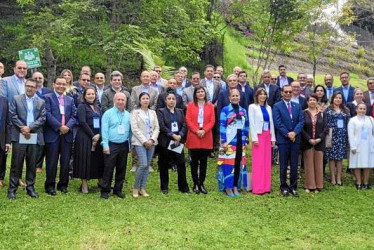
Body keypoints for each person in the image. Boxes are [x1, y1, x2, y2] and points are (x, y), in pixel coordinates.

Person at [8, 79, 46, 199]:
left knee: (32, 163)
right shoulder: (16, 99)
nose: (29, 88)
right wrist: (23, 128)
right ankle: (12, 189)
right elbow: (12, 115)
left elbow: (42, 118)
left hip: (33, 135)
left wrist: (30, 127)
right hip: (20, 134)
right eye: (27, 86)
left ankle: (30, 188)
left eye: (32, 87)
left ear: (36, 88)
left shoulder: (41, 102)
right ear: (25, 86)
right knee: (16, 163)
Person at [44, 77, 77, 195]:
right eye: (58, 84)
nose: (61, 86)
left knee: (65, 161)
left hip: (67, 134)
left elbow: (74, 115)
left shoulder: (70, 99)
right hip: (53, 134)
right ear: (54, 84)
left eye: (64, 84)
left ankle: (63, 184)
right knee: (52, 161)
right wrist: (59, 126)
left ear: (66, 85)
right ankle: (50, 185)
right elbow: (47, 114)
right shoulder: (47, 97)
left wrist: (67, 127)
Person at [273, 85, 304, 197]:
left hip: (295, 139)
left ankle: (293, 186)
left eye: (290, 92)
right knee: (283, 164)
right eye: (286, 92)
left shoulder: (297, 106)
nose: (288, 94)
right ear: (282, 93)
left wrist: (294, 133)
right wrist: (287, 134)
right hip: (283, 140)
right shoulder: (277, 106)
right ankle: (284, 186)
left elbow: (301, 121)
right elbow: (277, 122)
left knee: (295, 164)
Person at [217, 89, 249, 197]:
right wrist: (224, 141)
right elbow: (222, 126)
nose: (235, 97)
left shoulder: (243, 110)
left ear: (240, 97)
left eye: (237, 95)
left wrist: (246, 138)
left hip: (241, 142)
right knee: (228, 165)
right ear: (229, 97)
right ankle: (228, 187)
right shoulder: (225, 110)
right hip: (229, 142)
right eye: (233, 96)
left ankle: (236, 186)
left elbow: (246, 126)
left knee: (238, 164)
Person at [157, 92, 190, 194]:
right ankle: (164, 187)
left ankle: (183, 187)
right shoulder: (160, 111)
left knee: (181, 163)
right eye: (169, 98)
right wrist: (172, 135)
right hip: (166, 141)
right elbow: (162, 126)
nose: (171, 100)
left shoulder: (180, 111)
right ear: (165, 100)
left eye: (173, 99)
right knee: (164, 164)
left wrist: (180, 135)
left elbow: (184, 125)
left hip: (177, 142)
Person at [73, 87, 104, 193]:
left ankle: (100, 181)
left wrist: (99, 134)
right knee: (84, 161)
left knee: (96, 160)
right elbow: (82, 122)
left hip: (97, 137)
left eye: (93, 94)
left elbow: (101, 122)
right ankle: (84, 185)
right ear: (84, 96)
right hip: (85, 137)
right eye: (89, 94)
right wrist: (92, 136)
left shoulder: (97, 107)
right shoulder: (82, 106)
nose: (91, 96)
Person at [101, 92, 131, 199]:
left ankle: (118, 189)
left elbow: (130, 131)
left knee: (121, 168)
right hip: (111, 144)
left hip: (124, 144)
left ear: (125, 102)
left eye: (122, 100)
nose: (120, 102)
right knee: (108, 168)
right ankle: (105, 190)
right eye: (118, 99)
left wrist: (130, 144)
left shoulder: (128, 115)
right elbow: (104, 130)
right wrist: (105, 144)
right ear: (114, 101)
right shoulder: (108, 114)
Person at [185, 86, 215, 194]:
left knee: (204, 162)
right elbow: (188, 120)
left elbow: (212, 121)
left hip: (206, 136)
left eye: (202, 91)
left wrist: (204, 130)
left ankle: (201, 183)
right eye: (198, 92)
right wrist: (197, 130)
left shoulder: (210, 106)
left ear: (205, 93)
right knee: (194, 162)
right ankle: (195, 183)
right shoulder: (190, 105)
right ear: (195, 94)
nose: (201, 93)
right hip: (194, 135)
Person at [130, 93, 160, 197]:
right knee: (142, 164)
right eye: (143, 98)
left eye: (147, 98)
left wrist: (152, 139)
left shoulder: (153, 112)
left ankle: (142, 188)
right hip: (140, 142)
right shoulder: (135, 112)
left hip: (152, 142)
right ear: (140, 100)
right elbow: (134, 129)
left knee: (147, 165)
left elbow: (157, 127)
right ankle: (135, 188)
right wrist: (144, 141)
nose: (146, 100)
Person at [248, 88, 275, 194]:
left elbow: (271, 123)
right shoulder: (252, 107)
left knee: (266, 161)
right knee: (258, 162)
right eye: (260, 94)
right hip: (258, 136)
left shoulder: (269, 107)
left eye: (264, 94)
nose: (263, 96)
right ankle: (258, 187)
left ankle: (266, 187)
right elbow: (252, 123)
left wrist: (273, 138)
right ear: (257, 96)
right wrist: (254, 138)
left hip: (267, 134)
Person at [301, 94, 326, 193]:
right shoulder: (303, 113)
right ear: (307, 102)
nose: (312, 101)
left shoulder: (322, 113)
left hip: (319, 143)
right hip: (308, 142)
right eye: (310, 100)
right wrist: (309, 139)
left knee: (319, 164)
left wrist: (319, 139)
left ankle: (318, 185)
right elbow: (301, 128)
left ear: (317, 102)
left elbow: (326, 128)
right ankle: (309, 185)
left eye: (314, 100)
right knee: (308, 164)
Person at [325, 91, 350, 186]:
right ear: (333, 99)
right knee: (331, 158)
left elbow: (349, 123)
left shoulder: (346, 110)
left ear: (342, 99)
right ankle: (332, 178)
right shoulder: (328, 109)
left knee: (340, 158)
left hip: (342, 136)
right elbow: (325, 122)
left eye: (340, 98)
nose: (338, 99)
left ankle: (339, 177)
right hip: (332, 135)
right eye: (336, 98)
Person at [348, 103, 374, 189]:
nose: (362, 110)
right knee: (356, 164)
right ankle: (358, 182)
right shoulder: (352, 120)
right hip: (357, 145)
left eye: (364, 109)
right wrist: (353, 146)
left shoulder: (370, 119)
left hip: (368, 145)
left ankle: (366, 182)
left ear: (366, 110)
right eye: (360, 108)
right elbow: (350, 134)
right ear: (356, 110)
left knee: (368, 164)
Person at [0, 94, 10, 187]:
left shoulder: (4, 100)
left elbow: (7, 122)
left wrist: (8, 141)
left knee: (2, 157)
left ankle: (0, 178)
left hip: (1, 135)